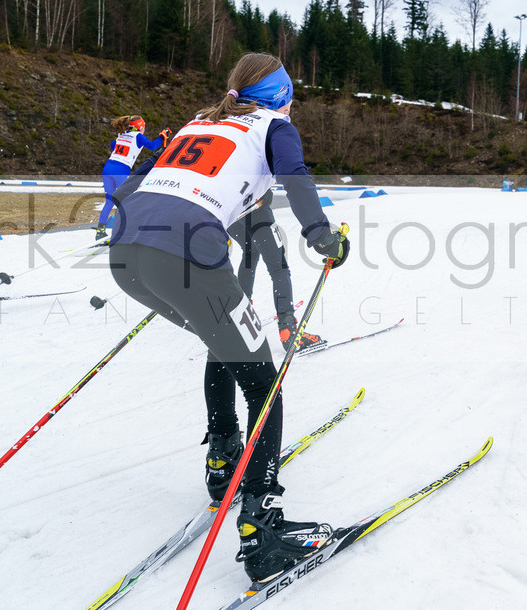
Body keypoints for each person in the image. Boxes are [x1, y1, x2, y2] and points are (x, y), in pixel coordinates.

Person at [107, 53, 349, 581]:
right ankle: (263, 531)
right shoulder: (274, 125)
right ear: (281, 96)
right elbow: (296, 176)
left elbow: (131, 186)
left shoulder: (200, 120)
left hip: (125, 254)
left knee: (225, 343)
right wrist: (321, 236)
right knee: (264, 383)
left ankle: (222, 464)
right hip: (186, 253)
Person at [228, 188, 324, 351]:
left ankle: (241, 317)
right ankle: (288, 330)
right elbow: (294, 182)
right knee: (279, 268)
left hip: (230, 209)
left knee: (250, 251)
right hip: (255, 207)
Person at [97, 115, 169, 241]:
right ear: (140, 127)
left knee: (109, 201)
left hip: (108, 168)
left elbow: (113, 145)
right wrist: (162, 136)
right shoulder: (138, 136)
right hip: (120, 169)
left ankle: (100, 231)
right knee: (126, 200)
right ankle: (123, 231)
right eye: (144, 127)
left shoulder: (122, 134)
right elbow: (152, 146)